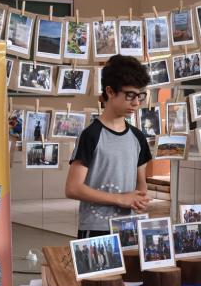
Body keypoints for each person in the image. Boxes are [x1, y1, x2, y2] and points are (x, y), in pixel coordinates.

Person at [65, 55, 153, 237]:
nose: (136, 103)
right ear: (110, 92)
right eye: (130, 95)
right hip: (96, 229)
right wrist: (120, 199)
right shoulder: (91, 135)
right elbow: (73, 188)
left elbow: (141, 185)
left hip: (129, 228)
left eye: (140, 96)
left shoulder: (138, 137)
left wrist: (139, 200)